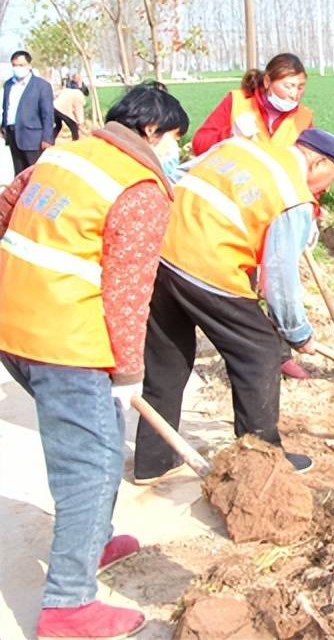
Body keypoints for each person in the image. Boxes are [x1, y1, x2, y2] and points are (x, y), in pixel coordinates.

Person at [0, 83, 188, 639]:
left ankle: (94, 540)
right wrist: (130, 375)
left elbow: (5, 207)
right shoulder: (138, 187)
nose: (174, 152)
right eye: (174, 139)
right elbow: (128, 293)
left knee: (97, 441)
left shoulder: (66, 156)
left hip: (17, 327)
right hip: (66, 343)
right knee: (92, 464)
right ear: (153, 131)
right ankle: (67, 606)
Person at [132, 128, 334, 484]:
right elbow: (279, 281)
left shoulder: (239, 148)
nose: (326, 190)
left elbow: (176, 177)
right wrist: (297, 332)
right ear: (318, 162)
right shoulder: (291, 196)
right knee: (261, 352)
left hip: (163, 251)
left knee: (168, 359)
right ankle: (261, 460)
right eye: (331, 180)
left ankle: (154, 462)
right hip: (208, 266)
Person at [191, 52, 315, 380]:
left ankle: (279, 352)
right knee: (242, 285)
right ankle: (252, 353)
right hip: (235, 210)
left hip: (275, 214)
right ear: (267, 82)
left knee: (277, 280)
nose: (295, 93)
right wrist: (231, 137)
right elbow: (199, 144)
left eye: (301, 87)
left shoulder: (303, 118)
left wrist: (310, 212)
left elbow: (308, 168)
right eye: (289, 85)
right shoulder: (236, 104)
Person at [3, 50, 57, 175]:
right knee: (19, 175)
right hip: (13, 136)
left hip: (33, 139)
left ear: (29, 66)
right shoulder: (8, 85)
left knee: (35, 174)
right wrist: (4, 127)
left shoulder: (41, 86)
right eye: (15, 65)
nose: (17, 68)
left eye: (21, 65)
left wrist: (47, 138)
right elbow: (6, 108)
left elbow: (48, 114)